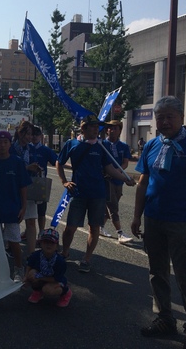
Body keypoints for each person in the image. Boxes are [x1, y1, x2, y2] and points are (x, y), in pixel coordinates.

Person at [131, 96, 186, 349]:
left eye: (169, 116)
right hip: (153, 219)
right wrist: (136, 215)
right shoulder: (151, 145)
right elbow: (142, 183)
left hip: (183, 221)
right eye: (159, 117)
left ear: (182, 118)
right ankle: (164, 318)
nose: (164, 121)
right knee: (157, 272)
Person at [56, 114, 135, 273]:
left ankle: (86, 259)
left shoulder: (102, 146)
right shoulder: (72, 144)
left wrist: (125, 178)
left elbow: (110, 169)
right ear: (83, 128)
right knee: (71, 227)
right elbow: (59, 162)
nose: (95, 129)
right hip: (78, 193)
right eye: (92, 126)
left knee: (94, 228)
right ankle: (64, 252)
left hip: (98, 194)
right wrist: (64, 181)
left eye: (97, 127)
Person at [0, 131, 31, 282]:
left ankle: (18, 269)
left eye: (6, 142)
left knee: (14, 240)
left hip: (12, 207)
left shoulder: (17, 162)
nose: (3, 145)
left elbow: (23, 186)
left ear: (10, 144)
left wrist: (23, 207)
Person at [99, 120, 133, 243]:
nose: (112, 130)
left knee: (111, 206)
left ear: (120, 130)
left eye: (115, 128)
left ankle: (100, 226)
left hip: (119, 180)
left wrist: (117, 171)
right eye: (110, 128)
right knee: (113, 206)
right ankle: (120, 233)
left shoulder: (124, 146)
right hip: (106, 180)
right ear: (106, 130)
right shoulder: (102, 144)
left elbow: (125, 162)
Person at [10, 121, 40, 255]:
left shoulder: (32, 149)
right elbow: (10, 167)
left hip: (29, 187)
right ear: (20, 133)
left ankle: (32, 254)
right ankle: (12, 249)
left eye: (31, 134)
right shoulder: (11, 148)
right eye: (27, 134)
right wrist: (27, 167)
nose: (29, 137)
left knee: (31, 221)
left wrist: (37, 169)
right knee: (13, 221)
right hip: (13, 188)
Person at [24, 228, 72, 307]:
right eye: (46, 242)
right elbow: (29, 265)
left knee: (48, 290)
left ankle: (66, 292)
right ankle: (38, 291)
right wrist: (26, 277)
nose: (48, 245)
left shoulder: (60, 261)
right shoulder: (36, 255)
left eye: (52, 243)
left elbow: (56, 278)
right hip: (41, 275)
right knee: (31, 274)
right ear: (40, 243)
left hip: (55, 280)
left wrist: (39, 278)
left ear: (56, 246)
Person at [29, 125, 58, 237]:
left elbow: (57, 162)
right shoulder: (26, 148)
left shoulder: (46, 150)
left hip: (41, 183)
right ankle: (28, 231)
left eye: (37, 135)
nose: (34, 137)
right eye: (32, 134)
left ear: (41, 136)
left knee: (41, 210)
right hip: (27, 181)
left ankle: (41, 232)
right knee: (27, 209)